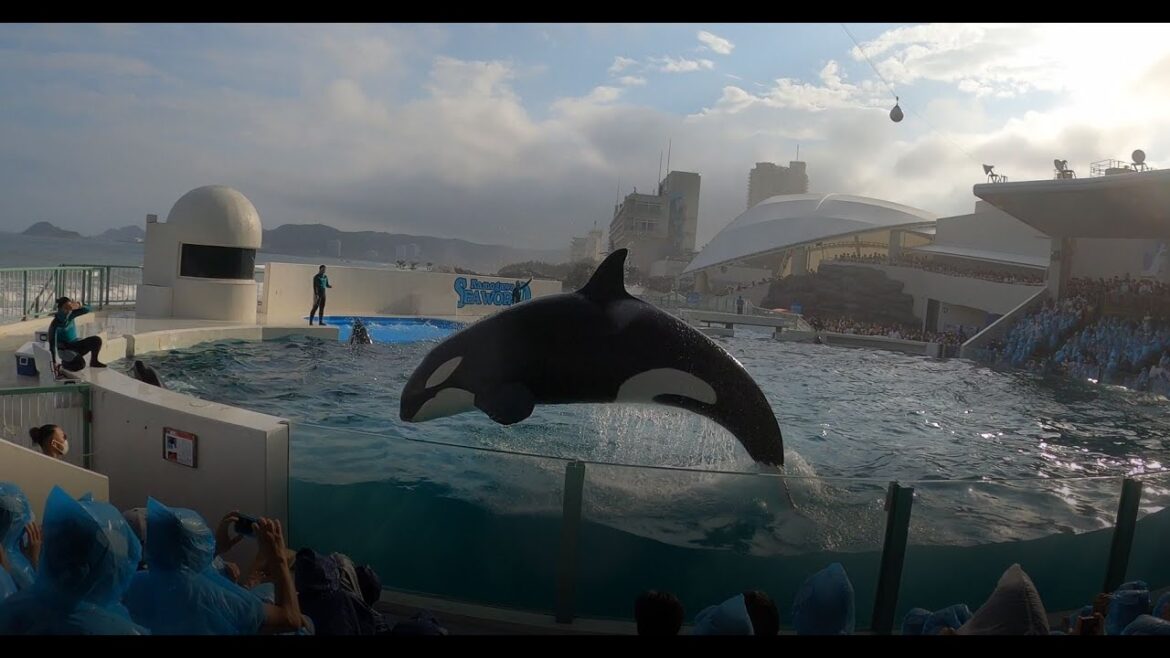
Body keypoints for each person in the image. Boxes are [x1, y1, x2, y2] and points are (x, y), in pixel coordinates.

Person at [47, 297, 105, 374]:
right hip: (65, 349)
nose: (68, 311)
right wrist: (54, 362)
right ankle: (63, 364)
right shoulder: (55, 324)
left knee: (96, 340)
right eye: (65, 308)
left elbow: (89, 309)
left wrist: (78, 305)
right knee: (80, 364)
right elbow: (52, 345)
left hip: (75, 345)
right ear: (59, 309)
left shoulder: (71, 315)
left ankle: (94, 362)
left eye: (70, 308)